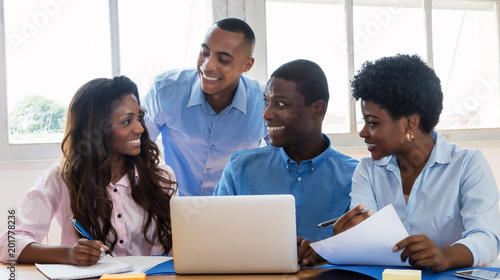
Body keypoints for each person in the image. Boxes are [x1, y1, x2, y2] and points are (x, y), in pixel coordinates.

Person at [338, 54, 500, 272]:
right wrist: (348, 238)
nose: (363, 132)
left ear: (410, 122)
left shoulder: (467, 164)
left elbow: (487, 238)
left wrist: (444, 256)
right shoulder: (367, 171)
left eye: (373, 123)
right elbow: (369, 239)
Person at [0, 76, 177, 266]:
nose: (140, 128)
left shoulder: (162, 177)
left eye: (139, 117)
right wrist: (67, 254)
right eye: (127, 121)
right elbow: (9, 244)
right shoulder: (62, 178)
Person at [214, 59, 358, 244]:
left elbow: (361, 249)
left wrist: (324, 253)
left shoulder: (354, 176)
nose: (266, 114)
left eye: (280, 104)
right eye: (266, 102)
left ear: (317, 109)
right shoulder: (240, 168)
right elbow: (216, 238)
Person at [142, 18, 267, 196]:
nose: (207, 66)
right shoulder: (165, 91)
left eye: (223, 60)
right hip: (175, 208)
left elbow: (284, 160)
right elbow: (137, 146)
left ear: (247, 65)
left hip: (238, 210)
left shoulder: (264, 101)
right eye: (204, 52)